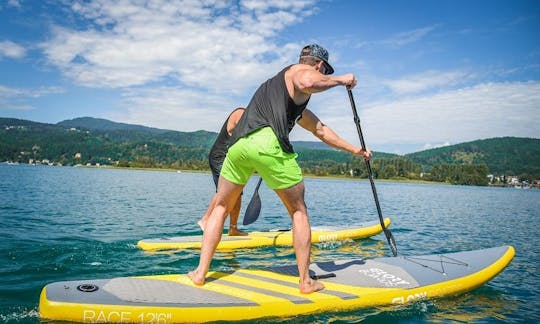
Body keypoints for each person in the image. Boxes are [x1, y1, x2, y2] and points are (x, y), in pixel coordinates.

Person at [189, 44, 371, 294]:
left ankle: (200, 273)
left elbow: (321, 130)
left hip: (239, 147)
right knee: (299, 212)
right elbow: (308, 80)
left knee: (221, 206)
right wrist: (341, 80)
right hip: (268, 145)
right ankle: (306, 281)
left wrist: (355, 150)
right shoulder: (299, 71)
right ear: (318, 65)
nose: (323, 74)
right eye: (324, 70)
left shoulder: (284, 96)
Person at [198, 107, 248, 236]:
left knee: (237, 192)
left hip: (232, 159)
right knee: (225, 190)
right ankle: (205, 219)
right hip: (220, 156)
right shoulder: (241, 112)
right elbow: (237, 129)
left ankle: (233, 228)